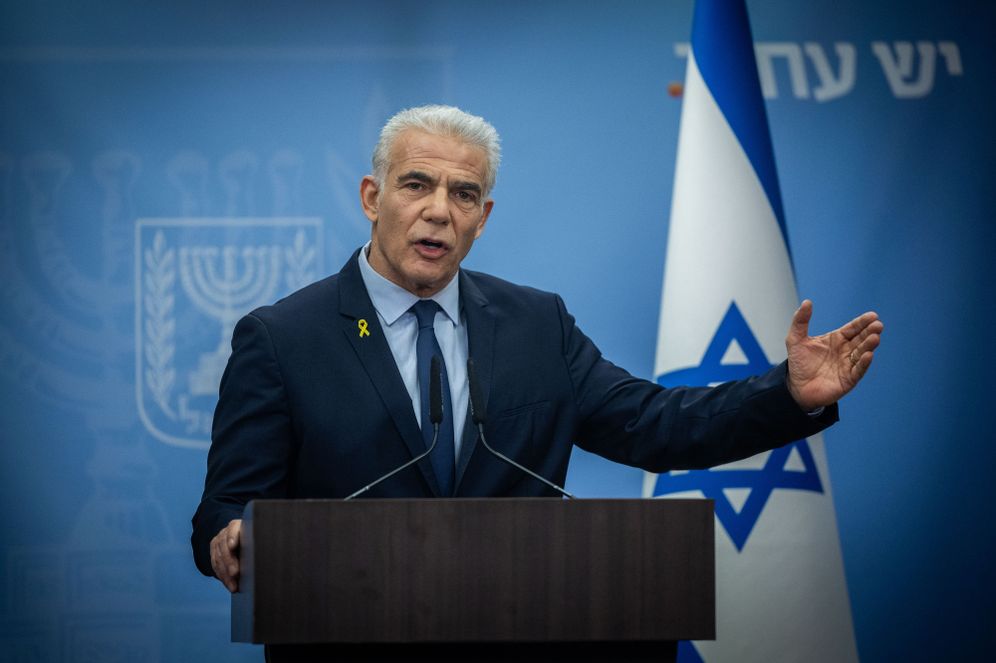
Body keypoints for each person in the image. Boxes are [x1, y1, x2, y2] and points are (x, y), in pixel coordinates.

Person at [191, 105, 882, 593]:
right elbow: (225, 510)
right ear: (373, 198)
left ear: (483, 218)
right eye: (416, 185)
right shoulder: (284, 337)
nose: (439, 210)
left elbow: (656, 425)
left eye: (464, 194)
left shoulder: (534, 323)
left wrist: (786, 393)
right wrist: (231, 536)